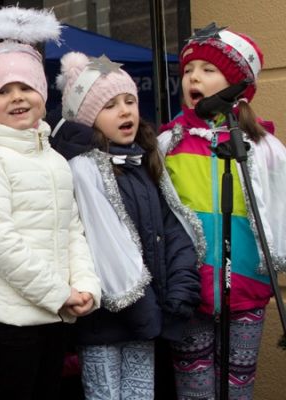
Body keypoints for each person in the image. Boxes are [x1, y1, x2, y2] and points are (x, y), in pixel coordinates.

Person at [0, 7, 102, 399]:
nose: (16, 98)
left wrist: (84, 284)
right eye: (3, 91)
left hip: (54, 315)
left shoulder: (54, 159)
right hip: (9, 321)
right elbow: (0, 243)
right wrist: (59, 293)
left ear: (42, 94)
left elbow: (73, 229)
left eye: (25, 88)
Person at [56, 51, 202, 399]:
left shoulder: (144, 162)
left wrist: (180, 288)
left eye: (130, 101)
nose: (125, 111)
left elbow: (172, 227)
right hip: (105, 321)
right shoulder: (82, 170)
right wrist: (147, 308)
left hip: (146, 317)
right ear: (87, 118)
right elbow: (102, 243)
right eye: (110, 106)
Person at [158, 23, 286, 399]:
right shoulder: (169, 142)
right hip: (191, 289)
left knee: (237, 386)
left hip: (245, 286)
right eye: (187, 71)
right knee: (194, 389)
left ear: (236, 85)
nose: (192, 78)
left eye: (207, 70)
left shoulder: (263, 147)